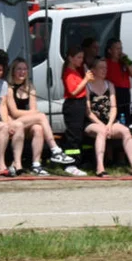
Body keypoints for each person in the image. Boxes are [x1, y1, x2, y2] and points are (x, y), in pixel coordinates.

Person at [5, 57, 76, 175]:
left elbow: (34, 108)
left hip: (26, 122)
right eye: (19, 69)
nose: (22, 72)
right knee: (41, 116)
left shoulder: (30, 87)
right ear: (13, 71)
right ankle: (55, 150)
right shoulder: (9, 88)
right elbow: (14, 112)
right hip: (13, 122)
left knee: (38, 128)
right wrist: (35, 114)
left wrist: (34, 114)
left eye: (25, 69)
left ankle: (36, 165)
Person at [84, 59, 132, 177]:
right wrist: (102, 125)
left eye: (105, 68)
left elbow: (114, 108)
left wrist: (110, 124)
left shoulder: (109, 85)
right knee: (101, 131)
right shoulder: (87, 86)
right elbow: (88, 112)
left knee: (125, 131)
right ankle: (100, 167)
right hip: (92, 122)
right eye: (101, 68)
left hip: (108, 122)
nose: (104, 70)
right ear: (93, 70)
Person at [59, 45, 91, 176]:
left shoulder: (77, 71)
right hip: (73, 105)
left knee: (79, 134)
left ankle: (81, 160)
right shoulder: (68, 72)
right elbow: (73, 91)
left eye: (82, 57)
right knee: (73, 136)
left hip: (80, 104)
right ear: (70, 58)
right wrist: (86, 80)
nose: (81, 60)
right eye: (78, 57)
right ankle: (70, 164)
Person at [104, 38, 132, 126]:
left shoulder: (125, 61)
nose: (120, 51)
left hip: (125, 92)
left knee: (126, 117)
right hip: (114, 92)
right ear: (110, 50)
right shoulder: (106, 62)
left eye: (121, 48)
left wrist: (127, 62)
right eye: (117, 49)